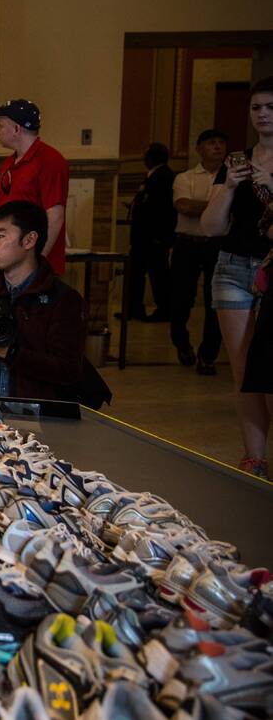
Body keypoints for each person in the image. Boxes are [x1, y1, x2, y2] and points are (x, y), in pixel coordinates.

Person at [201, 77, 273, 477]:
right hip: (232, 267)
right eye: (256, 107)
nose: (262, 114)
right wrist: (228, 187)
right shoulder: (236, 162)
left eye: (270, 107)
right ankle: (254, 456)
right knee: (244, 370)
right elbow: (211, 226)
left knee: (270, 370)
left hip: (271, 268)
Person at [0, 201, 86, 402]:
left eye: (1, 236)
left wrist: (6, 351)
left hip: (38, 414)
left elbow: (67, 371)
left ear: (29, 240)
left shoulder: (62, 299)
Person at [0, 99, 70, 274]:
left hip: (36, 267)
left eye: (1, 126)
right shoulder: (8, 164)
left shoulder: (50, 161)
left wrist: (36, 262)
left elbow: (55, 215)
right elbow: (0, 216)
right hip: (8, 264)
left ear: (16, 129)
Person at [170, 128, 227, 375]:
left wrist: (205, 206)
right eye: (212, 142)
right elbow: (184, 206)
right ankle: (182, 343)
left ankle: (208, 355)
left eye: (221, 142)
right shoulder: (185, 177)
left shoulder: (231, 177)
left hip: (218, 244)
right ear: (199, 148)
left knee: (215, 301)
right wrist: (220, 206)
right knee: (181, 299)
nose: (218, 146)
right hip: (188, 243)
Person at [124, 142, 176, 322]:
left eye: (145, 156)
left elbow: (162, 209)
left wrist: (160, 237)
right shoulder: (153, 175)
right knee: (136, 273)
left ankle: (164, 310)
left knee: (158, 274)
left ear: (152, 158)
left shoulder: (163, 177)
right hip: (144, 236)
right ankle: (134, 308)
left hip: (154, 237)